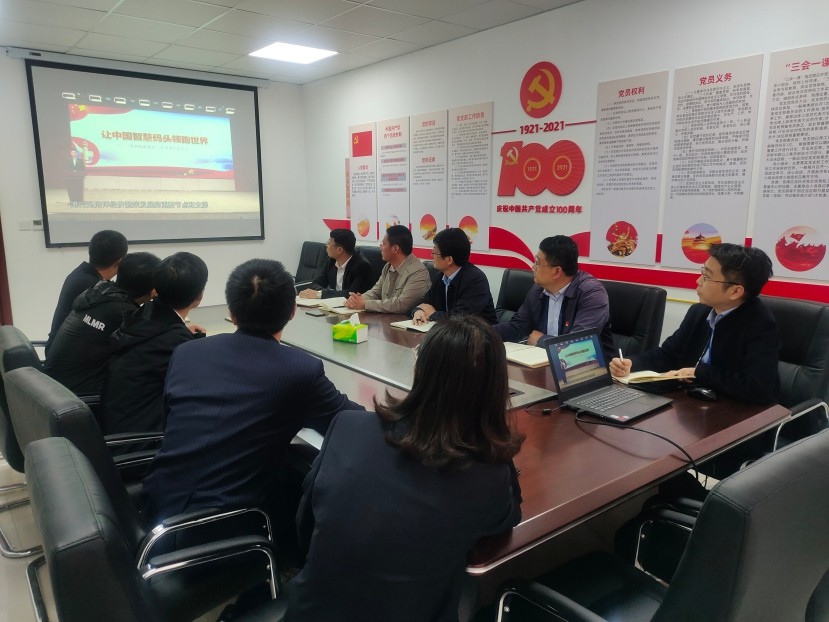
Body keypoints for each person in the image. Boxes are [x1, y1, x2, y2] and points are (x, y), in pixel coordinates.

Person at [286, 316, 523, 621]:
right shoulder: (487, 476)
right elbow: (509, 515)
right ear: (496, 388)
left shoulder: (348, 426)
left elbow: (305, 528)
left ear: (419, 370)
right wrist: (495, 438)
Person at [141, 258, 364, 527]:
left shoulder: (187, 352)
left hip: (154, 506)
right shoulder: (299, 370)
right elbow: (354, 425)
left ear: (231, 312)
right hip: (224, 525)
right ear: (293, 311)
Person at [610, 243, 780, 405]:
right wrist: (632, 363)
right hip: (693, 403)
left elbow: (757, 388)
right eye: (702, 273)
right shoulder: (699, 311)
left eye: (707, 277)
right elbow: (668, 354)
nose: (698, 281)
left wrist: (698, 373)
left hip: (739, 412)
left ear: (735, 291)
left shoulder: (760, 324)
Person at [102, 252, 208, 436]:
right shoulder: (175, 342)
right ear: (198, 297)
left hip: (115, 426)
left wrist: (184, 335)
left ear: (155, 289)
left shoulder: (139, 315)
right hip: (142, 442)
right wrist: (189, 343)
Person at [44, 251, 159, 396]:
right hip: (80, 397)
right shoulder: (126, 314)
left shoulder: (97, 292)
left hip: (52, 390)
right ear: (153, 289)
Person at [493, 235, 614, 359]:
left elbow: (579, 348)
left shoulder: (591, 293)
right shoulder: (538, 289)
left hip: (589, 366)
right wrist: (484, 334)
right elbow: (518, 326)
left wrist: (541, 340)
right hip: (546, 362)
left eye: (537, 262)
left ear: (556, 272)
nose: (533, 267)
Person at [45, 229, 128, 355]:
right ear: (120, 261)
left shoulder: (80, 273)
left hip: (58, 348)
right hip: (66, 355)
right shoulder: (94, 287)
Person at [410, 227, 497, 325]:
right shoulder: (441, 276)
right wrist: (418, 311)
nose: (431, 255)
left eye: (435, 252)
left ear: (449, 260)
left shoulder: (476, 280)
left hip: (479, 332)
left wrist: (434, 314)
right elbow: (424, 303)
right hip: (448, 331)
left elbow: (460, 317)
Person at [344, 225, 430, 313]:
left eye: (384, 244)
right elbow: (376, 292)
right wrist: (357, 300)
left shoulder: (418, 272)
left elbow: (402, 304)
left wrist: (365, 304)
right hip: (386, 318)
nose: (380, 247)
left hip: (405, 319)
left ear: (395, 249)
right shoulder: (388, 266)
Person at [298, 228, 373, 299]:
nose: (326, 245)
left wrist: (320, 294)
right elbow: (316, 283)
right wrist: (322, 293)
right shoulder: (331, 260)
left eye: (329, 243)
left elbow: (351, 294)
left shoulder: (362, 266)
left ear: (339, 250)